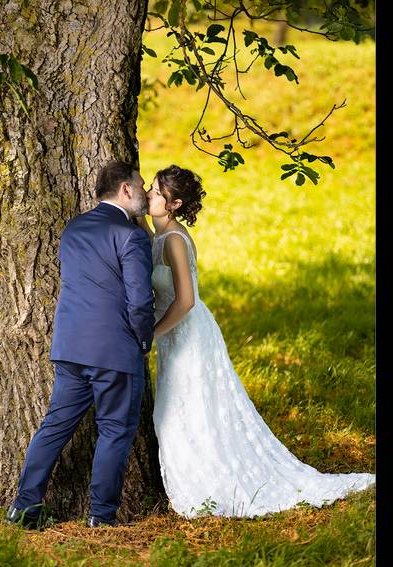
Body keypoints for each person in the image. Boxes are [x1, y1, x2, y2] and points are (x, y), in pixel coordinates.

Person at [136, 165, 375, 518]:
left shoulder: (173, 240)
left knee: (187, 410)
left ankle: (212, 484)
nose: (149, 195)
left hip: (188, 334)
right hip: (175, 336)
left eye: (155, 192)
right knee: (178, 410)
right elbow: (144, 230)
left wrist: (152, 334)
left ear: (174, 204)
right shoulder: (157, 235)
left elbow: (185, 300)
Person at [5, 160, 154, 529]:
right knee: (115, 431)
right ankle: (100, 517)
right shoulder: (131, 235)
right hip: (115, 350)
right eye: (140, 186)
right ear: (125, 189)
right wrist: (144, 339)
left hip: (71, 346)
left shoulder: (73, 229)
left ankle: (23, 508)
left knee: (54, 426)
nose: (144, 193)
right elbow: (139, 301)